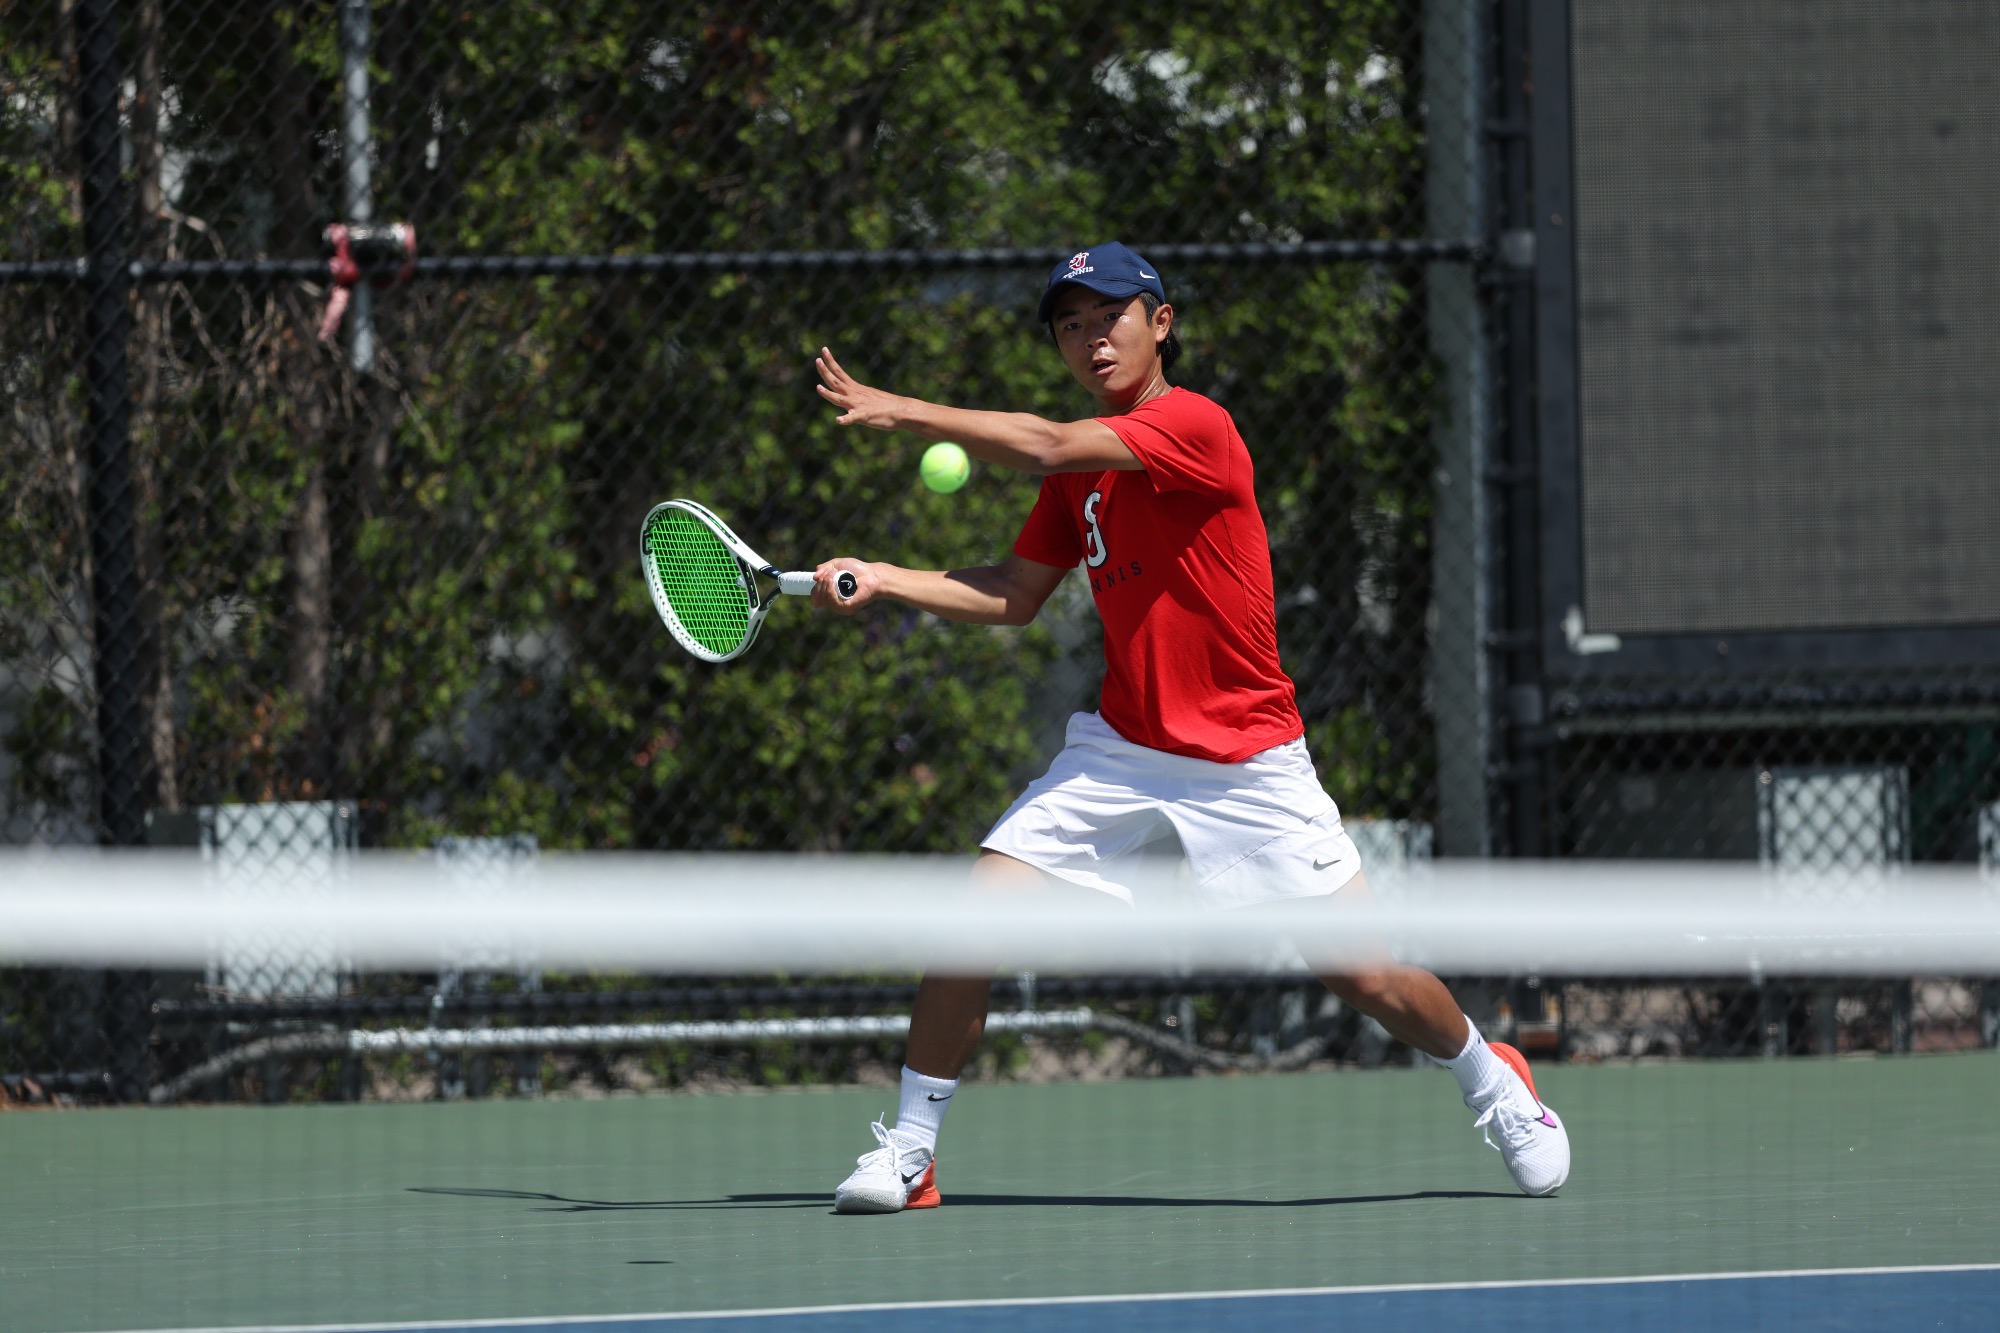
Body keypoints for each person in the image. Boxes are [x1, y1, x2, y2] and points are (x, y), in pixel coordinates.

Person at [807, 242, 1570, 1213]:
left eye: (1108, 317)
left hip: (1249, 755)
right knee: (974, 913)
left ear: (1158, 324)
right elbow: (1011, 595)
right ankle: (910, 1153)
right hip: (1124, 746)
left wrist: (905, 409)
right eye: (1070, 326)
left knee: (1365, 975)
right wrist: (882, 578)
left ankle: (1489, 1075)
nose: (1090, 340)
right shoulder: (1076, 478)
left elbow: (1043, 442)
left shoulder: (1194, 425)